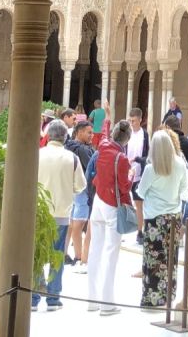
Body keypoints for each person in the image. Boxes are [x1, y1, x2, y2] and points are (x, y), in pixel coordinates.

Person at [34, 120, 86, 310]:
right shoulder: (71, 158)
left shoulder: (37, 154)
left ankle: (33, 296)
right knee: (57, 255)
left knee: (37, 254)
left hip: (38, 212)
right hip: (61, 213)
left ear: (48, 135)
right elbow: (80, 185)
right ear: (65, 137)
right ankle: (53, 298)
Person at [137, 128, 188, 309]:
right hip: (174, 217)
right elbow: (184, 189)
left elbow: (141, 192)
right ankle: (169, 294)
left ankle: (152, 296)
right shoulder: (180, 164)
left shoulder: (151, 169)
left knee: (153, 259)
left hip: (154, 219)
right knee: (170, 258)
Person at [86, 119, 134, 314]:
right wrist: (131, 176)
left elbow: (104, 132)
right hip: (112, 204)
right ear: (127, 139)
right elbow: (124, 186)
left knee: (95, 250)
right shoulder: (122, 159)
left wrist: (107, 118)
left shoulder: (103, 145)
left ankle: (92, 300)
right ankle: (107, 303)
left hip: (98, 201)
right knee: (110, 253)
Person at [64, 120, 97, 267]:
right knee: (79, 222)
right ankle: (79, 256)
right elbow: (92, 169)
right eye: (89, 132)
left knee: (71, 223)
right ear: (80, 132)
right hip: (83, 189)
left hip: (69, 188)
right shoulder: (83, 150)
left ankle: (64, 253)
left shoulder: (67, 147)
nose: (92, 135)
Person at [125, 108, 148, 239]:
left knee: (139, 203)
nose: (132, 123)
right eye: (130, 120)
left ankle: (140, 231)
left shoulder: (144, 135)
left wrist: (138, 161)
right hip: (126, 172)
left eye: (134, 121)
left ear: (140, 120)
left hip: (138, 173)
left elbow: (146, 154)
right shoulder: (127, 133)